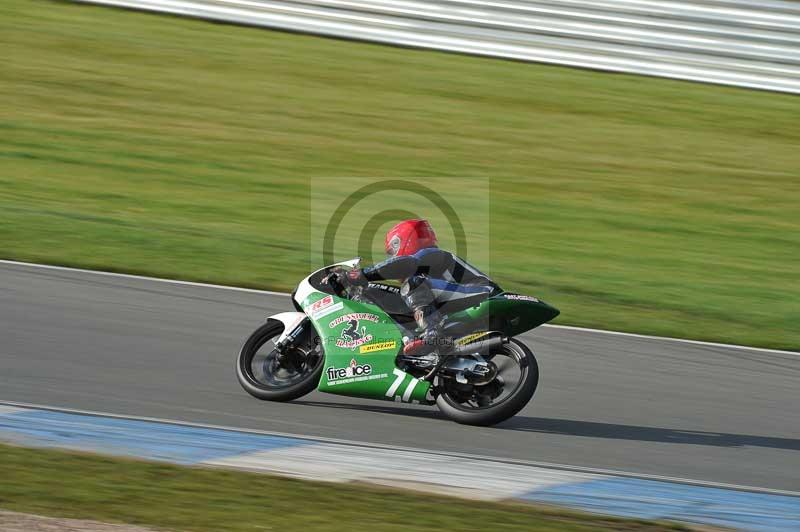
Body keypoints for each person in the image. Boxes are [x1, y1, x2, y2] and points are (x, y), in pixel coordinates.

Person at [341, 219, 496, 356]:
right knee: (394, 294)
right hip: (465, 305)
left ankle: (431, 333)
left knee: (414, 284)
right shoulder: (426, 276)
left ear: (404, 241)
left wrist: (362, 274)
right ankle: (407, 340)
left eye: (392, 252)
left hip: (482, 292)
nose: (392, 257)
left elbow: (405, 264)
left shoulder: (432, 254)